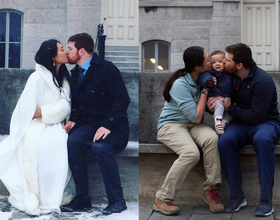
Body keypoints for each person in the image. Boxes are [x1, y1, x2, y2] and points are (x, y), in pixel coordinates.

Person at [61, 33, 130, 215]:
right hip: (89, 125)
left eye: (70, 48)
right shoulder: (75, 73)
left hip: (114, 126)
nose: (67, 52)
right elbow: (77, 105)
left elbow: (122, 100)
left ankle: (117, 201)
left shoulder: (107, 69)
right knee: (72, 142)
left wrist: (108, 124)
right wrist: (73, 120)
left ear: (81, 51)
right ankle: (83, 198)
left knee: (100, 148)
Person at [0, 39, 71, 215]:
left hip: (57, 125)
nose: (65, 52)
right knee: (41, 146)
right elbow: (29, 110)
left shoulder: (63, 77)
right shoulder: (37, 77)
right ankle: (35, 194)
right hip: (37, 125)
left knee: (59, 143)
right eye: (62, 49)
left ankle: (52, 195)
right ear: (53, 56)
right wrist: (58, 110)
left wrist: (63, 115)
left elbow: (68, 105)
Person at [209, 43, 280, 217]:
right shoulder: (228, 76)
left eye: (227, 60)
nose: (223, 62)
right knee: (224, 140)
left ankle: (265, 200)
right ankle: (237, 196)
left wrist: (229, 109)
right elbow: (217, 96)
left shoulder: (262, 80)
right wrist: (212, 103)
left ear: (239, 65)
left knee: (263, 140)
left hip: (265, 123)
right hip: (240, 123)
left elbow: (257, 116)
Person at [153, 46, 224, 216]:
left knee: (212, 138)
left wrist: (220, 100)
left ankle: (211, 191)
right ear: (198, 66)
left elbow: (203, 111)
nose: (211, 62)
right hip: (171, 125)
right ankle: (162, 198)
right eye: (208, 60)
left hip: (191, 125)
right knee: (191, 153)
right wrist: (206, 91)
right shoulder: (180, 84)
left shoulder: (203, 78)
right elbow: (197, 118)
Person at [198, 50, 240, 135]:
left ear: (225, 62)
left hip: (226, 98)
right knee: (219, 106)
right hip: (215, 96)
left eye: (220, 61)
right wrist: (209, 82)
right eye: (214, 62)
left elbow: (235, 78)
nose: (217, 64)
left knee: (231, 113)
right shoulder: (211, 73)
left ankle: (223, 123)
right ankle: (217, 123)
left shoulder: (228, 73)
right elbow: (204, 77)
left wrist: (237, 85)